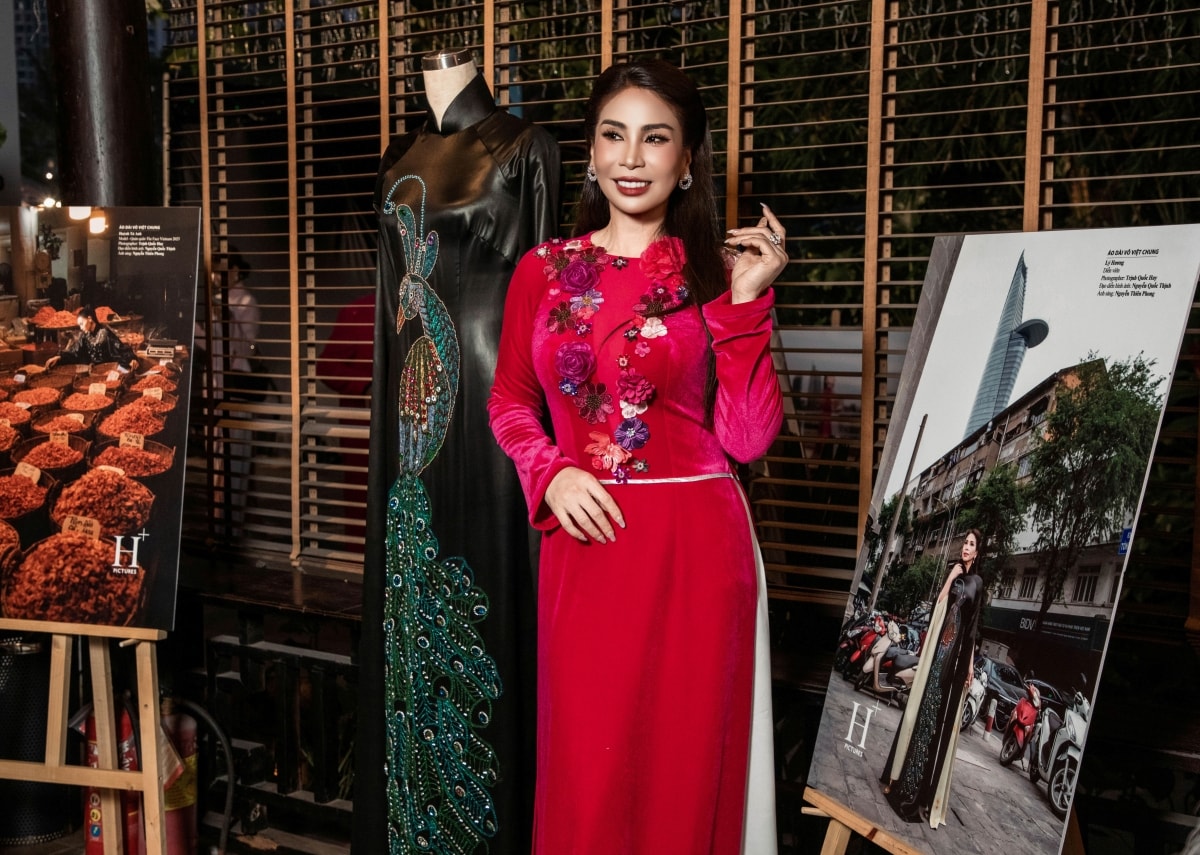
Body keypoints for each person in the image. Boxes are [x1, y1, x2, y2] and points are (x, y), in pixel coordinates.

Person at [487, 59, 787, 854]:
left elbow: (748, 438)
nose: (630, 157)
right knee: (588, 780)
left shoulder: (718, 272)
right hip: (585, 548)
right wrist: (551, 472)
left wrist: (748, 303)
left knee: (684, 783)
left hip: (696, 555)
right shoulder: (542, 271)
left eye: (655, 139)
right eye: (613, 135)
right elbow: (509, 400)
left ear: (686, 160)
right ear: (590, 151)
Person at [355, 48, 561, 855]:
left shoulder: (523, 147)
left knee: (493, 587)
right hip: (409, 400)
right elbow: (390, 296)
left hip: (493, 395)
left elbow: (546, 304)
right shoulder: (396, 158)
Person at [880, 528, 985, 827]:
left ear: (978, 552)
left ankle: (920, 793)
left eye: (971, 544)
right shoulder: (957, 576)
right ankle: (903, 779)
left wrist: (969, 666)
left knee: (934, 721)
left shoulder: (977, 583)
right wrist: (951, 577)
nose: (966, 547)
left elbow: (972, 629)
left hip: (952, 662)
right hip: (937, 653)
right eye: (965, 543)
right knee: (920, 715)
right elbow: (939, 606)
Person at [45, 305, 138, 371]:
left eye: (81, 324)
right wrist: (59, 357)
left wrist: (130, 359)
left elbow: (120, 348)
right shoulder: (85, 336)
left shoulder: (105, 332)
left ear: (90, 319)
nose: (81, 327)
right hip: (93, 371)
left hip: (109, 369)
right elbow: (75, 352)